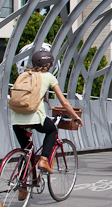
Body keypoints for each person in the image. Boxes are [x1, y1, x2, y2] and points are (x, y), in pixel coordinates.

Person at [10, 51, 82, 198]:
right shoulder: (49, 77)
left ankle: (23, 188)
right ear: (49, 65)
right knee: (52, 130)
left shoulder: (23, 75)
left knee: (26, 152)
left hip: (16, 119)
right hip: (35, 117)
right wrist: (75, 116)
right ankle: (44, 160)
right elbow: (64, 102)